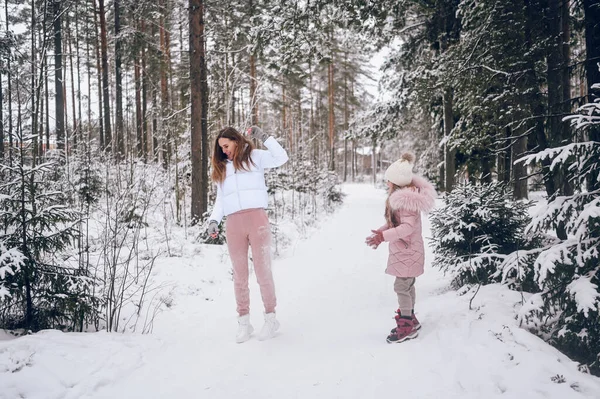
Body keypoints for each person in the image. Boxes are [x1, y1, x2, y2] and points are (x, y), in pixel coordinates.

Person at [207, 126, 289, 343]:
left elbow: (281, 157)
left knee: (263, 272)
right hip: (233, 224)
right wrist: (213, 221)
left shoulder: (255, 157)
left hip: (257, 221)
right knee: (239, 276)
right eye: (221, 148)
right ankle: (244, 322)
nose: (224, 151)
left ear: (236, 141)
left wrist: (264, 137)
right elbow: (220, 201)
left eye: (226, 146)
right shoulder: (222, 167)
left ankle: (271, 318)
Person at [365, 152, 436, 344]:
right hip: (407, 252)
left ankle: (406, 325)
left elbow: (406, 228)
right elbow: (396, 224)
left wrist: (384, 236)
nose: (387, 183)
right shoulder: (405, 199)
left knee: (401, 287)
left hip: (407, 252)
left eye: (389, 181)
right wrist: (380, 234)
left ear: (396, 183)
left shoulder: (405, 202)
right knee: (407, 285)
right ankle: (410, 317)